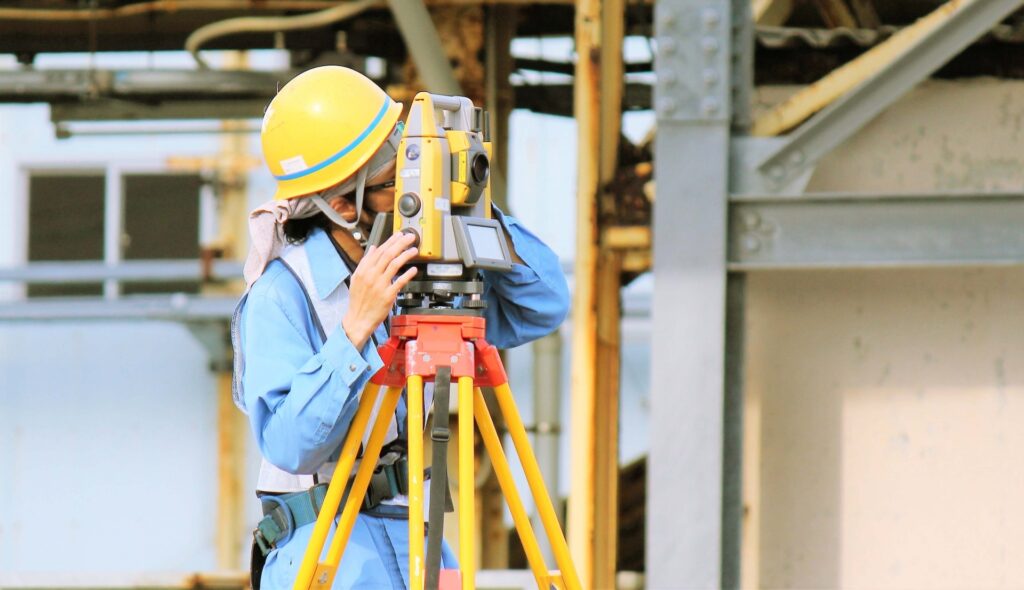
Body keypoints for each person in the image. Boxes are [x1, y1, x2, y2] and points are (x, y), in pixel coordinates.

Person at [231, 65, 570, 589]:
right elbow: (289, 444)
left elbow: (543, 304)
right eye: (401, 179)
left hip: (420, 535)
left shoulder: (420, 267)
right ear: (344, 205)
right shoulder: (281, 292)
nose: (418, 185)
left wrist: (467, 205)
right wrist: (354, 332)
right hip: (328, 548)